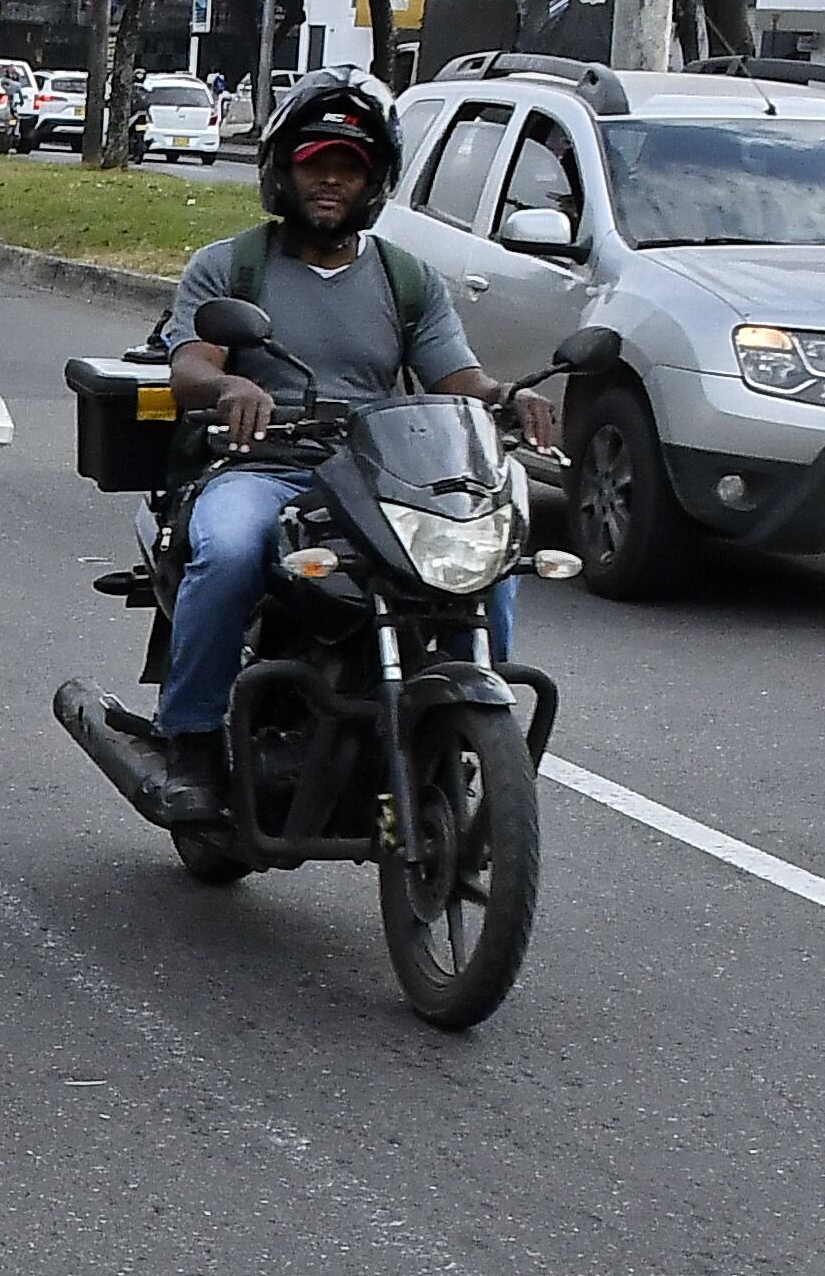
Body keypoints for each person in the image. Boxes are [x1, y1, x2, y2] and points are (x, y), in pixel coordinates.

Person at [152, 68, 559, 796]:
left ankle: (467, 710)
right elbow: (189, 368)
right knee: (230, 548)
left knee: (485, 555)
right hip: (262, 467)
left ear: (375, 182)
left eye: (350, 167)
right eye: (316, 166)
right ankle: (189, 735)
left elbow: (454, 379)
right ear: (283, 174)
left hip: (377, 474)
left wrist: (505, 398)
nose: (331, 182)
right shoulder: (230, 267)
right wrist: (230, 385)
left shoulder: (409, 279)